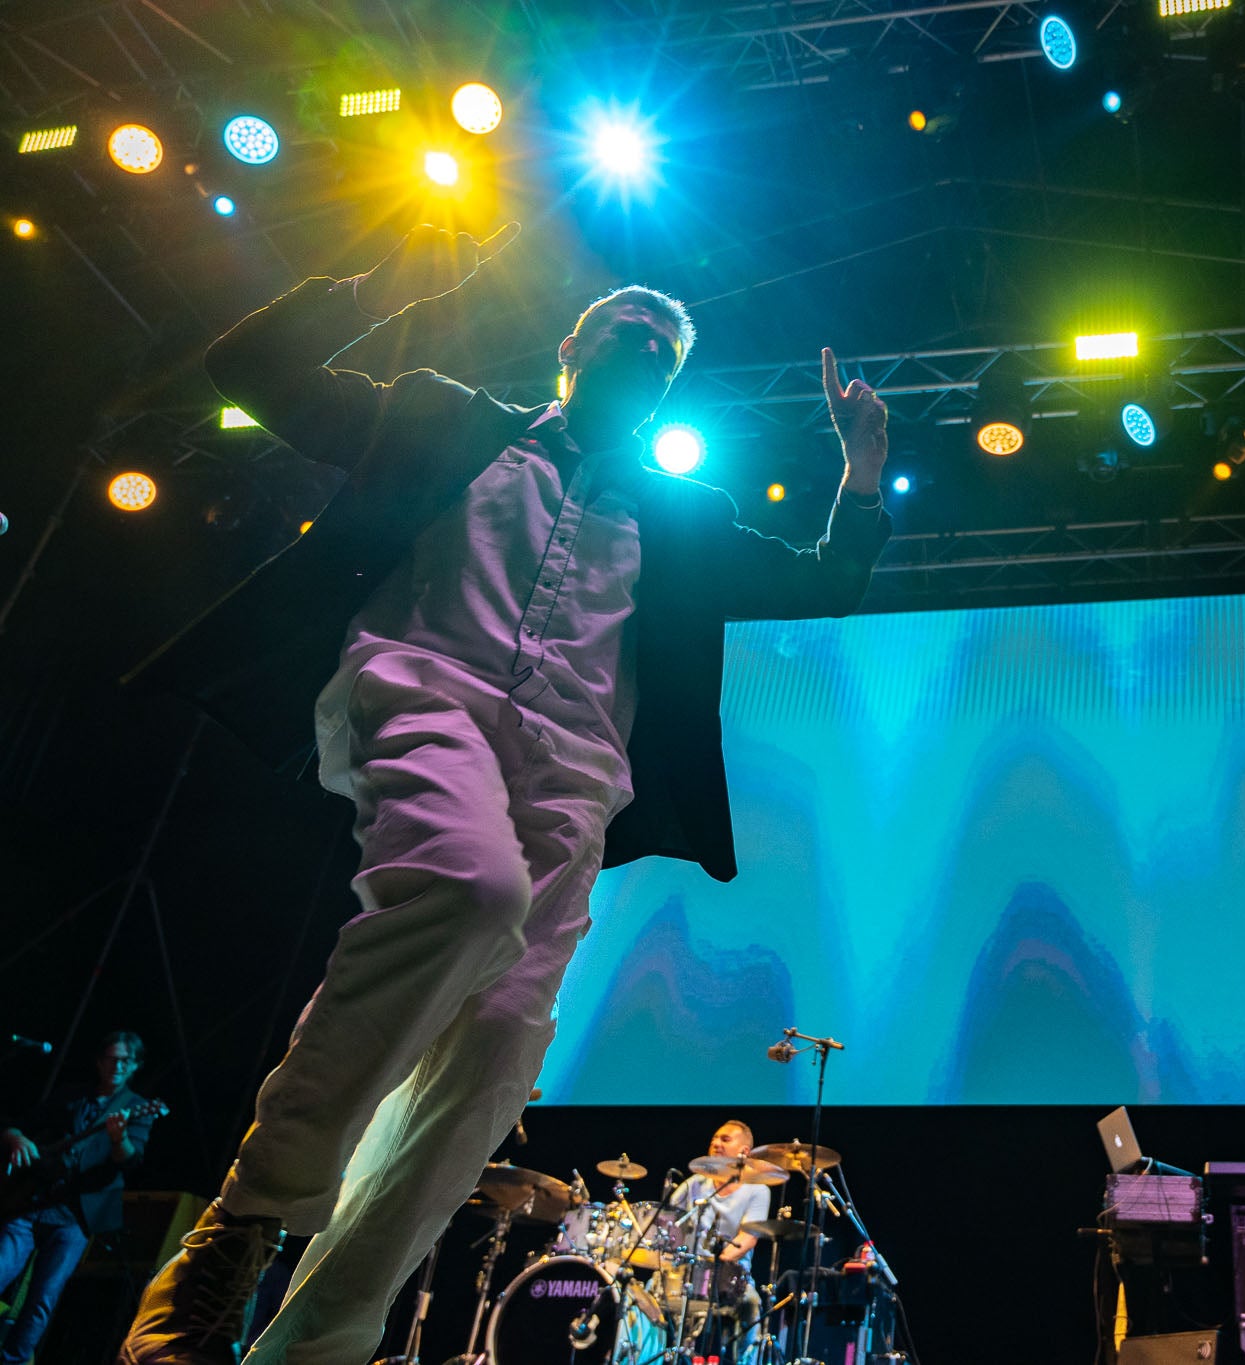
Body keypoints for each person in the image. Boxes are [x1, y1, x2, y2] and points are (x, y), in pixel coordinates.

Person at [117, 222, 891, 1365]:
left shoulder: (679, 514)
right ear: (571, 349)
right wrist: (371, 278)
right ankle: (240, 1229)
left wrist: (860, 467)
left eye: (663, 354)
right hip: (430, 694)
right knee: (469, 891)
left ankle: (315, 1345)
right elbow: (253, 373)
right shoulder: (447, 419)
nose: (644, 352)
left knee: (491, 1059)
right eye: (627, 332)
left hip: (576, 776)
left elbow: (824, 582)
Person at [1, 1032, 157, 1364]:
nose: (117, 1066)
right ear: (99, 1061)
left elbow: (130, 1161)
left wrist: (119, 1139)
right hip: (32, 1202)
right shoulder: (72, 1095)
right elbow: (21, 1125)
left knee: (44, 1296)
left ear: (135, 1066)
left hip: (75, 1217)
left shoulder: (135, 1108)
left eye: (125, 1061)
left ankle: (13, 1360)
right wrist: (14, 1138)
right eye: (111, 1058)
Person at [667, 1120, 774, 1355]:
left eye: (725, 1140)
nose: (716, 1143)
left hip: (732, 1278)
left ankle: (743, 1359)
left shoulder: (757, 1189)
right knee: (645, 1294)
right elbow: (669, 1223)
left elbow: (747, 1239)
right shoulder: (695, 1184)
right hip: (686, 1273)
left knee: (751, 1305)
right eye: (714, 1138)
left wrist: (712, 1268)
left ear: (744, 1151)